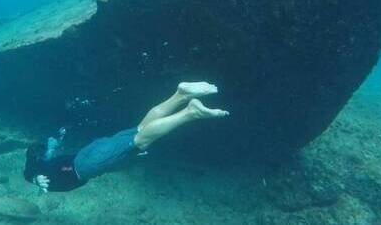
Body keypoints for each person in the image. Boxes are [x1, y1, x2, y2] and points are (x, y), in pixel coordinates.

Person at [23, 81, 230, 192]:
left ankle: (189, 113)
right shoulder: (42, 164)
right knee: (140, 130)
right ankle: (181, 95)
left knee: (140, 141)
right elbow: (31, 159)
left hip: (85, 166)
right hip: (87, 152)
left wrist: (34, 177)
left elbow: (28, 167)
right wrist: (35, 176)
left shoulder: (37, 170)